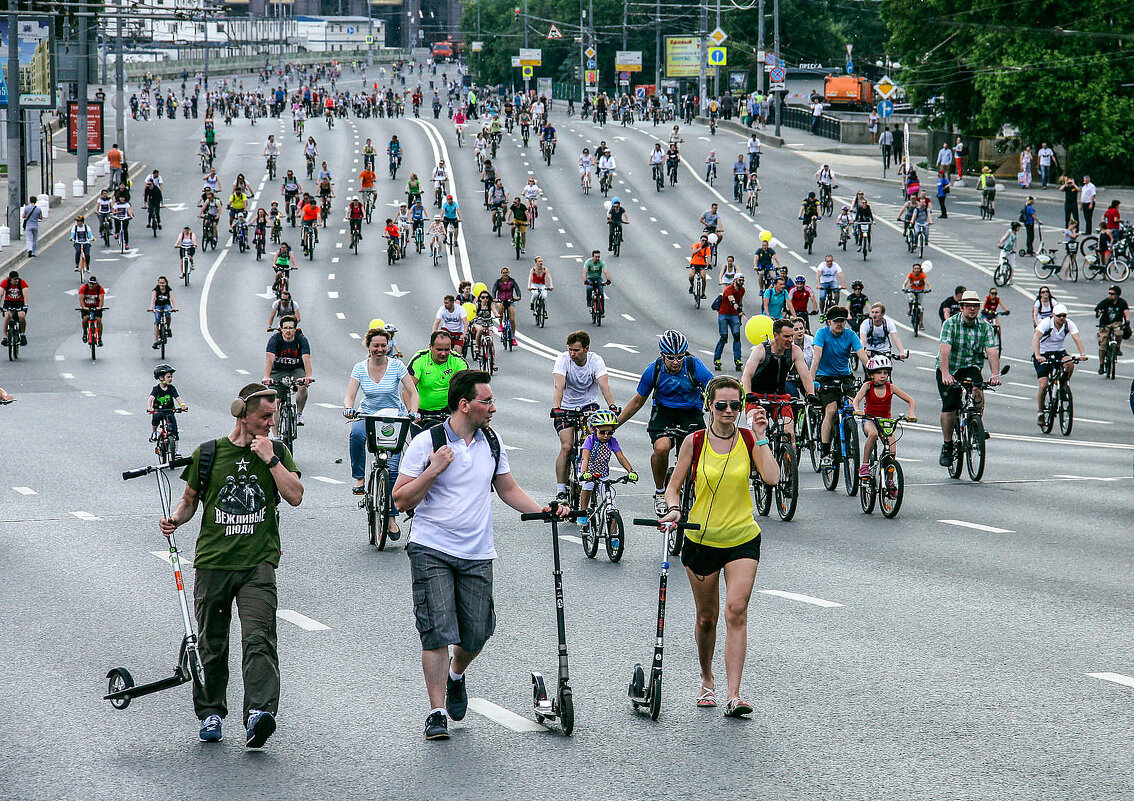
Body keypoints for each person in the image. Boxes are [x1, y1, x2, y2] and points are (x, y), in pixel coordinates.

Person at [391, 370, 564, 741]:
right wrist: (434, 469)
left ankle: (456, 674)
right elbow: (401, 498)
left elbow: (507, 488)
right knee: (437, 631)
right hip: (431, 547)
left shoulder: (492, 440)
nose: (493, 408)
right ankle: (436, 712)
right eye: (487, 401)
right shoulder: (427, 443)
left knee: (476, 634)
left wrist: (543, 511)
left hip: (477, 551)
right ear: (464, 404)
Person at [161, 383, 303, 748]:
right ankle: (210, 712)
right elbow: (190, 500)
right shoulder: (208, 454)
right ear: (242, 412)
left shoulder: (278, 451)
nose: (272, 422)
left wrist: (270, 458)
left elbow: (295, 495)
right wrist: (176, 519)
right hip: (214, 563)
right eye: (265, 416)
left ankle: (259, 713)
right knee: (212, 642)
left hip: (259, 563)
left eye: (274, 415)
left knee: (259, 638)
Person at [659, 375, 779, 717]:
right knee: (708, 618)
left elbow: (772, 478)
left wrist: (763, 438)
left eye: (735, 405)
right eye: (721, 405)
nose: (729, 411)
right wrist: (673, 509)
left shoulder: (747, 439)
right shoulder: (694, 442)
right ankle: (706, 679)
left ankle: (734, 694)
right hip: (701, 539)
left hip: (742, 537)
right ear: (709, 406)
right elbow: (673, 486)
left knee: (736, 611)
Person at [617, 330, 713, 516]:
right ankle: (661, 492)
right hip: (664, 413)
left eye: (680, 357)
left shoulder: (694, 366)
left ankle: (698, 491)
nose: (676, 362)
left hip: (691, 413)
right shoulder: (654, 370)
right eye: (671, 357)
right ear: (662, 355)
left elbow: (713, 390)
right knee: (661, 448)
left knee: (699, 455)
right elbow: (638, 400)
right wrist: (616, 424)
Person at [343, 327, 419, 537]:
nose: (380, 349)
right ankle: (359, 478)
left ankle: (391, 518)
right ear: (368, 346)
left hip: (393, 417)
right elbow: (350, 395)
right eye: (376, 345)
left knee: (393, 470)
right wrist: (349, 408)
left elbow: (412, 392)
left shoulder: (396, 366)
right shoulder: (360, 368)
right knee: (356, 435)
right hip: (368, 415)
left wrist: (413, 411)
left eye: (383, 345)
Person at [936, 291, 1002, 466]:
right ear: (962, 307)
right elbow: (944, 351)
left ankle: (976, 423)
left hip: (971, 366)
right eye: (969, 306)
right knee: (950, 405)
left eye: (975, 306)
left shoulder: (985, 326)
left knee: (978, 390)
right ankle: (947, 444)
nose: (972, 309)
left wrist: (995, 374)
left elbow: (992, 351)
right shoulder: (951, 324)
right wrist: (945, 374)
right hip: (950, 366)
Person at [551, 330, 617, 498]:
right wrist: (557, 408)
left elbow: (604, 385)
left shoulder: (596, 361)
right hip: (565, 407)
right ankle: (561, 490)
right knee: (566, 447)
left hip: (589, 406)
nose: (572, 353)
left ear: (586, 349)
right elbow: (559, 386)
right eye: (570, 349)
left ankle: (590, 476)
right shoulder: (563, 360)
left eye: (576, 350)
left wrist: (612, 406)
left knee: (593, 440)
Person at [742, 318, 816, 450]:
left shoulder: (795, 351)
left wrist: (810, 394)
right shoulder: (761, 350)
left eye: (792, 336)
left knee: (789, 434)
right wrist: (748, 394)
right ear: (775, 335)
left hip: (781, 398)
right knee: (756, 433)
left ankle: (789, 469)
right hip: (757, 397)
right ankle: (754, 467)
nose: (790, 340)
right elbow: (747, 375)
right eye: (786, 336)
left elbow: (805, 375)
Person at [810, 307, 868, 467]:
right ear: (829, 322)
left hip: (844, 377)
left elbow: (862, 356)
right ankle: (825, 452)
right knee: (830, 410)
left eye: (842, 321)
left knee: (851, 406)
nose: (840, 324)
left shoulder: (850, 335)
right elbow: (817, 357)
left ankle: (849, 439)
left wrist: (872, 373)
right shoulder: (822, 333)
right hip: (825, 377)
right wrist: (812, 380)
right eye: (836, 321)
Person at [853, 356, 916, 478]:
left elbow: (911, 400)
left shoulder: (890, 387)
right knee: (873, 434)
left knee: (891, 453)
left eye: (885, 373)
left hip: (885, 422)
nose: (882, 376)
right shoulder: (867, 386)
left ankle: (890, 482)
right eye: (878, 373)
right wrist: (857, 410)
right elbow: (856, 401)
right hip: (870, 419)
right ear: (871, 375)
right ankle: (865, 465)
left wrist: (911, 414)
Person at [577, 409, 637, 525]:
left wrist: (631, 471)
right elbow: (585, 458)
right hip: (588, 471)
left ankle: (614, 536)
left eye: (609, 433)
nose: (606, 436)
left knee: (612, 505)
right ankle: (582, 513)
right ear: (595, 430)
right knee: (588, 486)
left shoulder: (612, 442)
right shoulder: (590, 440)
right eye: (602, 432)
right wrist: (585, 473)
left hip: (603, 474)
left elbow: (621, 457)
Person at [1032, 305, 1087, 424]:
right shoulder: (1046, 323)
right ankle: (1041, 412)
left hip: (1059, 352)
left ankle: (1064, 384)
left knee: (1070, 363)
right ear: (1053, 315)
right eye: (1059, 316)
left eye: (1064, 316)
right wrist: (1037, 355)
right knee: (1043, 385)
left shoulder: (1068, 324)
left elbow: (1077, 338)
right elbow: (1036, 338)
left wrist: (1082, 354)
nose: (1062, 318)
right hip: (1043, 353)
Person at [408, 331, 469, 429]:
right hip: (422, 413)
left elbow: (466, 389)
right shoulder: (420, 360)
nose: (443, 353)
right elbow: (408, 389)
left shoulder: (458, 361)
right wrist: (412, 412)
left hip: (448, 411)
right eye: (439, 349)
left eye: (447, 350)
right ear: (430, 347)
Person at [262, 316, 313, 427]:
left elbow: (306, 358)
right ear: (281, 329)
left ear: (295, 329)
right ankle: (276, 437)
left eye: (291, 328)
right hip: (278, 371)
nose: (288, 331)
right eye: (285, 328)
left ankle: (299, 414)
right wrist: (266, 377)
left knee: (303, 386)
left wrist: (308, 376)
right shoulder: (275, 340)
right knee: (275, 403)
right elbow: (269, 359)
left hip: (296, 370)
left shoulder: (301, 340)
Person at [148, 363, 189, 443]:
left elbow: (178, 398)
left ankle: (176, 451)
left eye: (171, 377)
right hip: (158, 410)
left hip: (169, 410)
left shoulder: (171, 388)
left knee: (174, 431)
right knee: (155, 419)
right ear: (161, 377)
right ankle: (154, 432)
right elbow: (151, 398)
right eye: (168, 377)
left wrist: (182, 405)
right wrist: (149, 407)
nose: (171, 379)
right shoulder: (156, 389)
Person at [713, 274, 746, 372]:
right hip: (724, 314)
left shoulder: (742, 290)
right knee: (723, 337)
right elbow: (733, 301)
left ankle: (738, 359)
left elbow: (740, 302)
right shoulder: (728, 289)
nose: (741, 282)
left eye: (742, 281)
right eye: (740, 280)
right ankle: (717, 359)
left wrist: (739, 316)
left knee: (736, 336)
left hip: (734, 315)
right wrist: (739, 310)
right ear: (735, 280)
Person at [1095, 286, 1130, 371]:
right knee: (1102, 345)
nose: (1110, 295)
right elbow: (1098, 311)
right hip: (1105, 324)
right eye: (1109, 293)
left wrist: (1127, 321)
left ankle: (1117, 347)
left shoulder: (1122, 302)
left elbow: (1126, 312)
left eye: (1112, 294)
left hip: (1116, 322)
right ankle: (1101, 364)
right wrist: (1099, 313)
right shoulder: (1105, 302)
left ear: (1117, 295)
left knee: (1119, 332)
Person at [148, 276, 179, 349]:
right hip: (158, 306)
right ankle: (156, 341)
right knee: (157, 321)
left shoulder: (168, 289)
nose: (162, 285)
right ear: (158, 283)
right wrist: (152, 307)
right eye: (160, 283)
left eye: (163, 283)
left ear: (166, 283)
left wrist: (175, 307)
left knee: (168, 313)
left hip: (166, 305)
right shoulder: (156, 290)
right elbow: (153, 299)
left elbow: (172, 298)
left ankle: (168, 328)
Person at [2, 270, 29, 347]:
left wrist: (26, 306)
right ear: (10, 279)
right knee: (7, 316)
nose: (17, 280)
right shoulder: (5, 282)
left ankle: (23, 334)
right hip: (8, 302)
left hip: (19, 302)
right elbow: (0, 294)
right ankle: (5, 337)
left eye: (17, 279)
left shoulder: (22, 283)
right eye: (14, 279)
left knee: (21, 316)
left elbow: (25, 294)